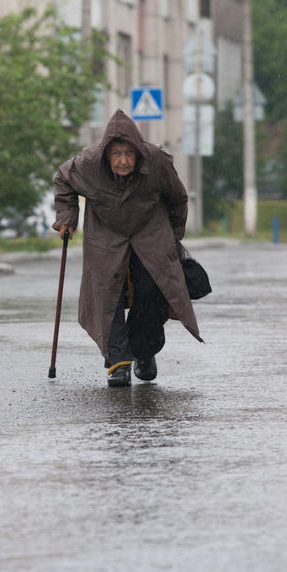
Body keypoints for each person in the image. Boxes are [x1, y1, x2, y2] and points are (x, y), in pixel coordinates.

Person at [52, 109, 204, 387]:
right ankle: (118, 363)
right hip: (105, 238)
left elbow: (178, 198)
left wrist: (172, 238)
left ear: (139, 153)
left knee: (150, 292)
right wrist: (67, 218)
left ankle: (144, 352)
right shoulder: (87, 164)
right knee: (107, 295)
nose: (123, 161)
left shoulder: (157, 161)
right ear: (106, 154)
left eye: (129, 154)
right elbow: (63, 180)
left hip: (150, 235)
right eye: (116, 154)